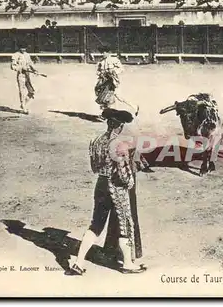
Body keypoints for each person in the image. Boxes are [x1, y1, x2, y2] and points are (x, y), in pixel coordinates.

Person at [65, 108, 147, 275]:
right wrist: (129, 182)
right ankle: (128, 264)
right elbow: (123, 173)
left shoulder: (96, 141)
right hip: (115, 187)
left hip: (101, 184)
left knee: (96, 224)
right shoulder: (119, 144)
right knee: (124, 224)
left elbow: (94, 167)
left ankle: (78, 263)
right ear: (120, 126)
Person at [94, 45, 123, 116]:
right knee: (101, 96)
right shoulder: (101, 61)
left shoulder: (113, 59)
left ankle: (106, 115)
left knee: (107, 97)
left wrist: (113, 71)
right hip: (103, 81)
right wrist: (100, 73)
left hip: (110, 81)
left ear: (108, 52)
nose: (102, 54)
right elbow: (97, 71)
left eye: (104, 52)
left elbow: (121, 68)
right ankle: (107, 113)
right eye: (102, 52)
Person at [10, 41, 37, 114]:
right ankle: (24, 107)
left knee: (32, 92)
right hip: (21, 75)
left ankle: (23, 104)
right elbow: (13, 66)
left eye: (25, 48)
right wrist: (21, 68)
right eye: (22, 48)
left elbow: (31, 64)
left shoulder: (27, 55)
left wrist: (35, 70)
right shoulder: (15, 55)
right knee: (22, 91)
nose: (24, 50)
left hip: (28, 75)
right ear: (19, 48)